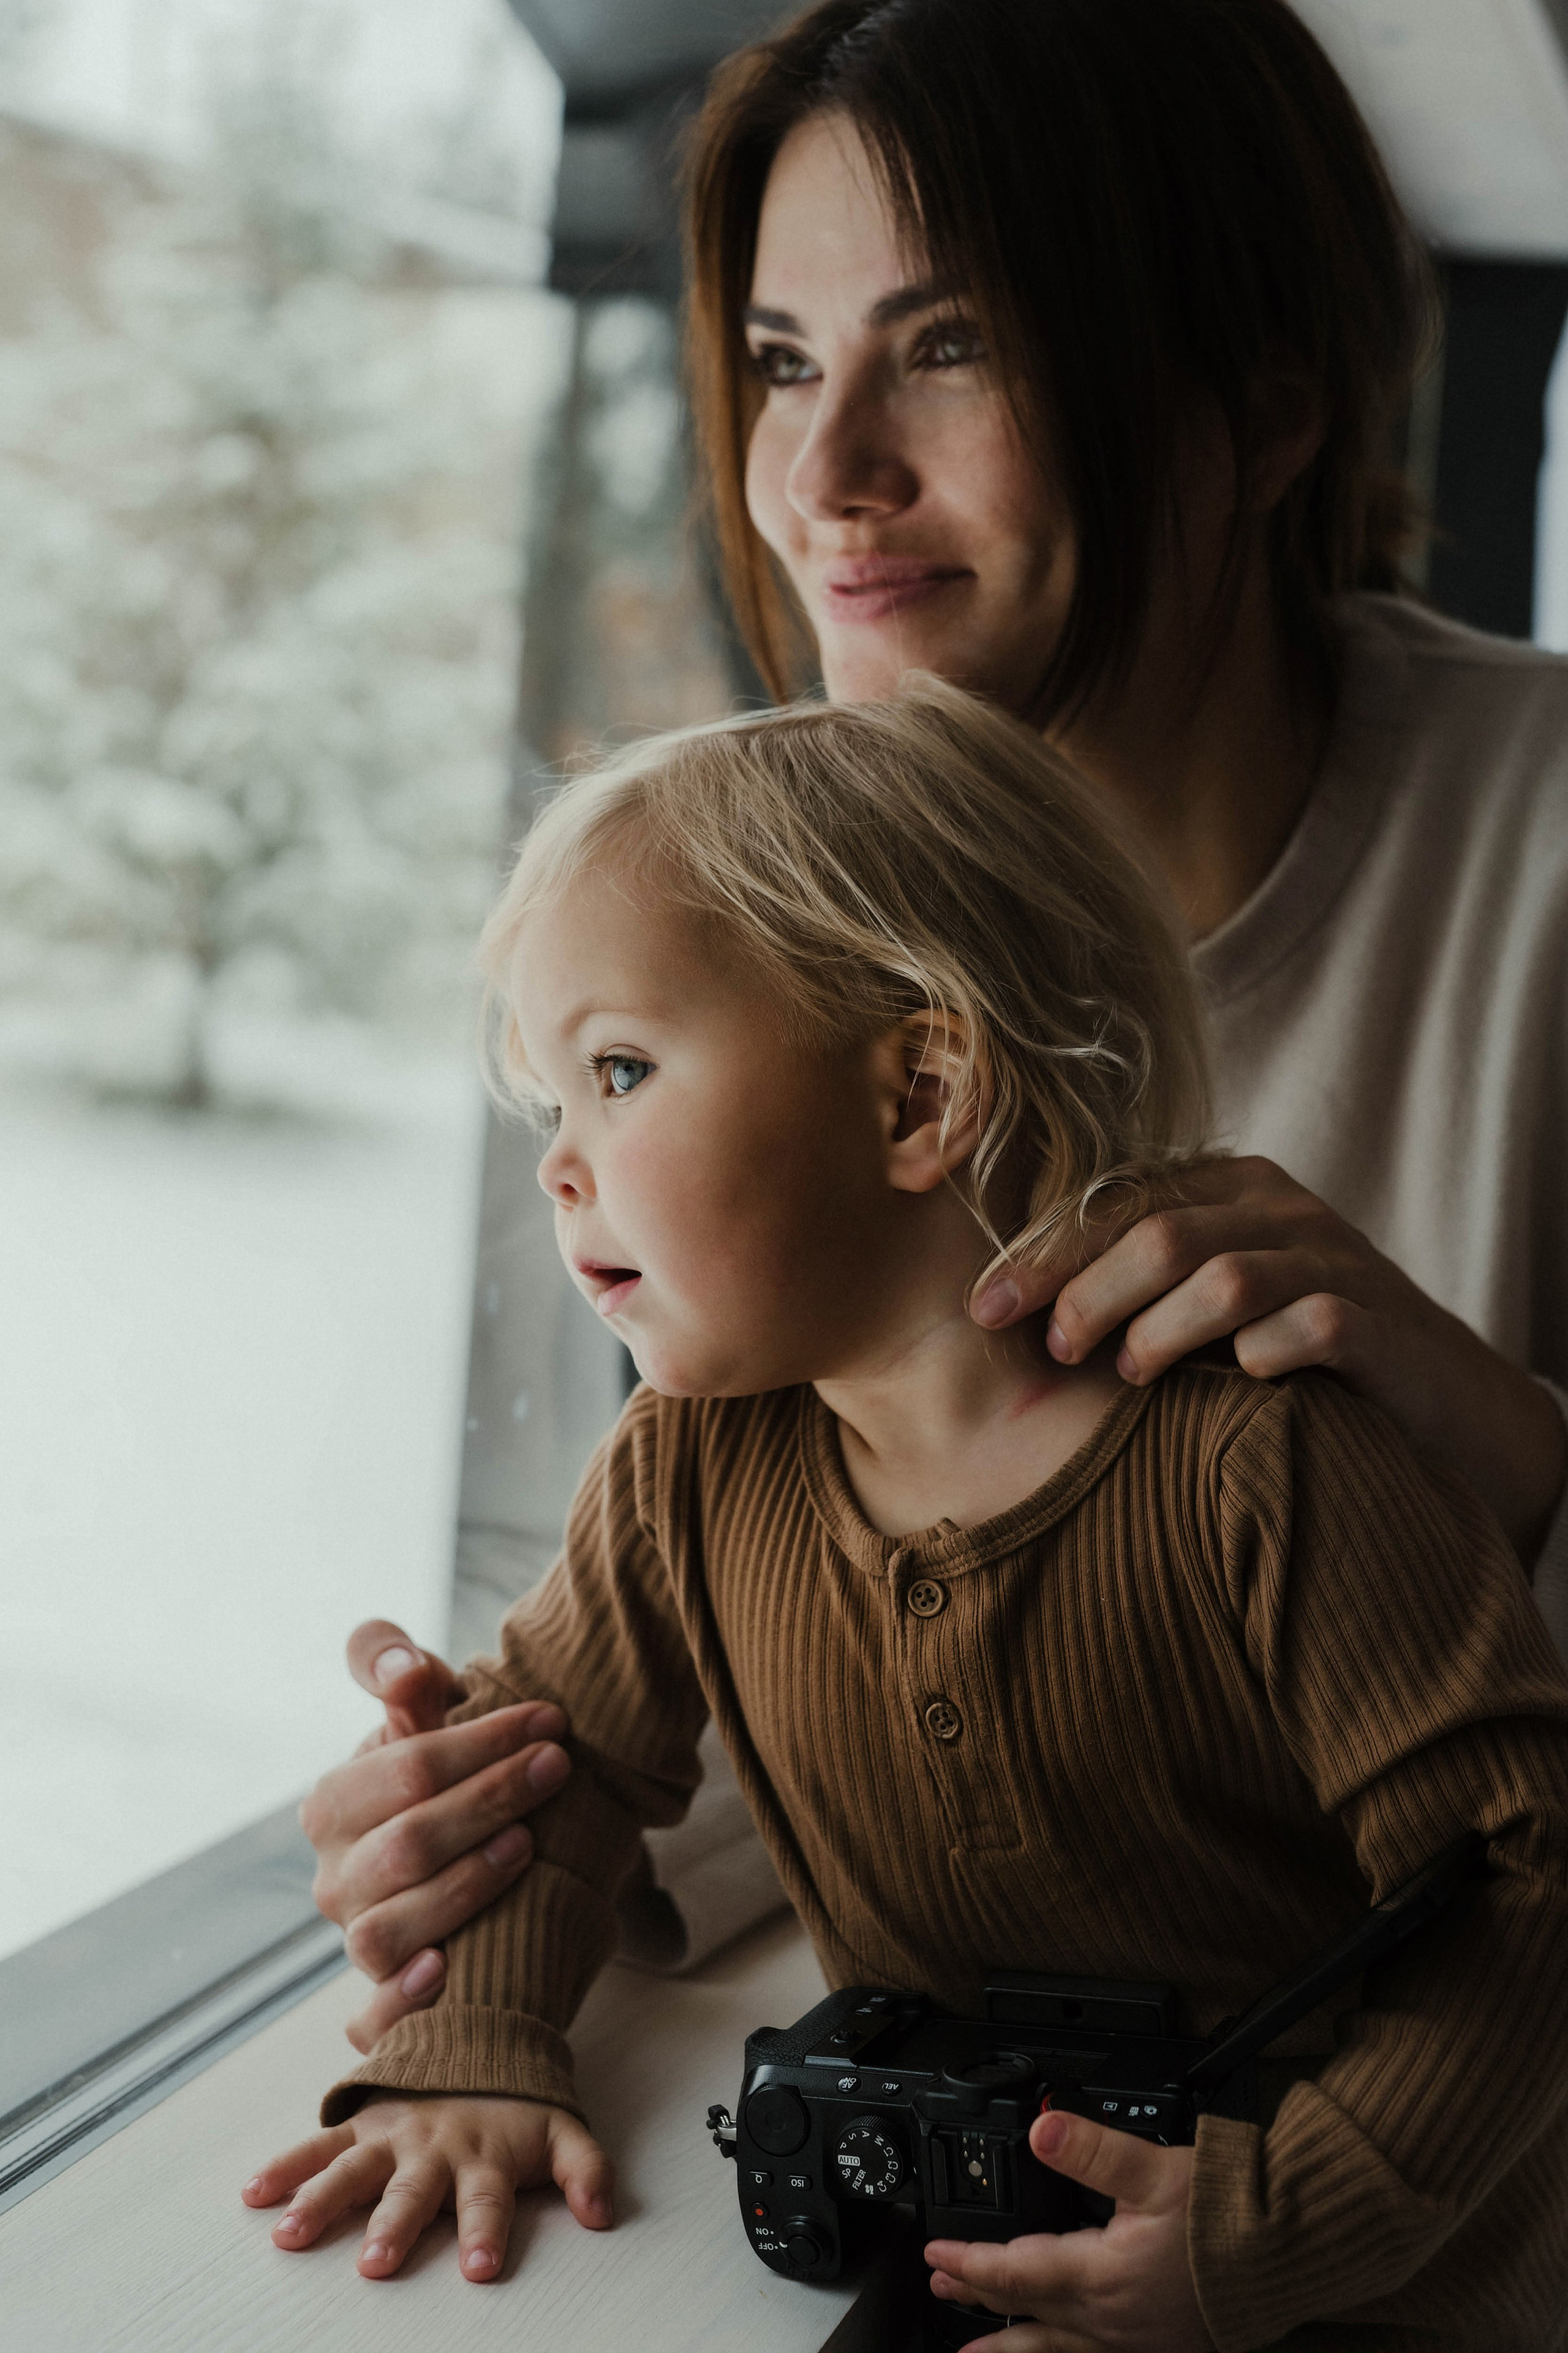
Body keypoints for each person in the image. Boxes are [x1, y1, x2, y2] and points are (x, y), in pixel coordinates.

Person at [300, 0, 1568, 2052]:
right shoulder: (749, 949)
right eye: (785, 362)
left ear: (1262, 400)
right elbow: (822, 1726)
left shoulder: (1544, 847)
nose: (819, 476)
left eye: (949, 346)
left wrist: (1502, 1456)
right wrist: (498, 1816)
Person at [244, 681, 1568, 2347]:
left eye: (623, 1069)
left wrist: (1281, 2221)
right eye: (550, 1104)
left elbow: (1526, 1874)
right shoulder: (685, 1468)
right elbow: (537, 1774)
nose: (559, 1166)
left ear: (917, 1096)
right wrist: (471, 2043)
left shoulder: (1273, 1466)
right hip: (972, 2238)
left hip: (1377, 2277)